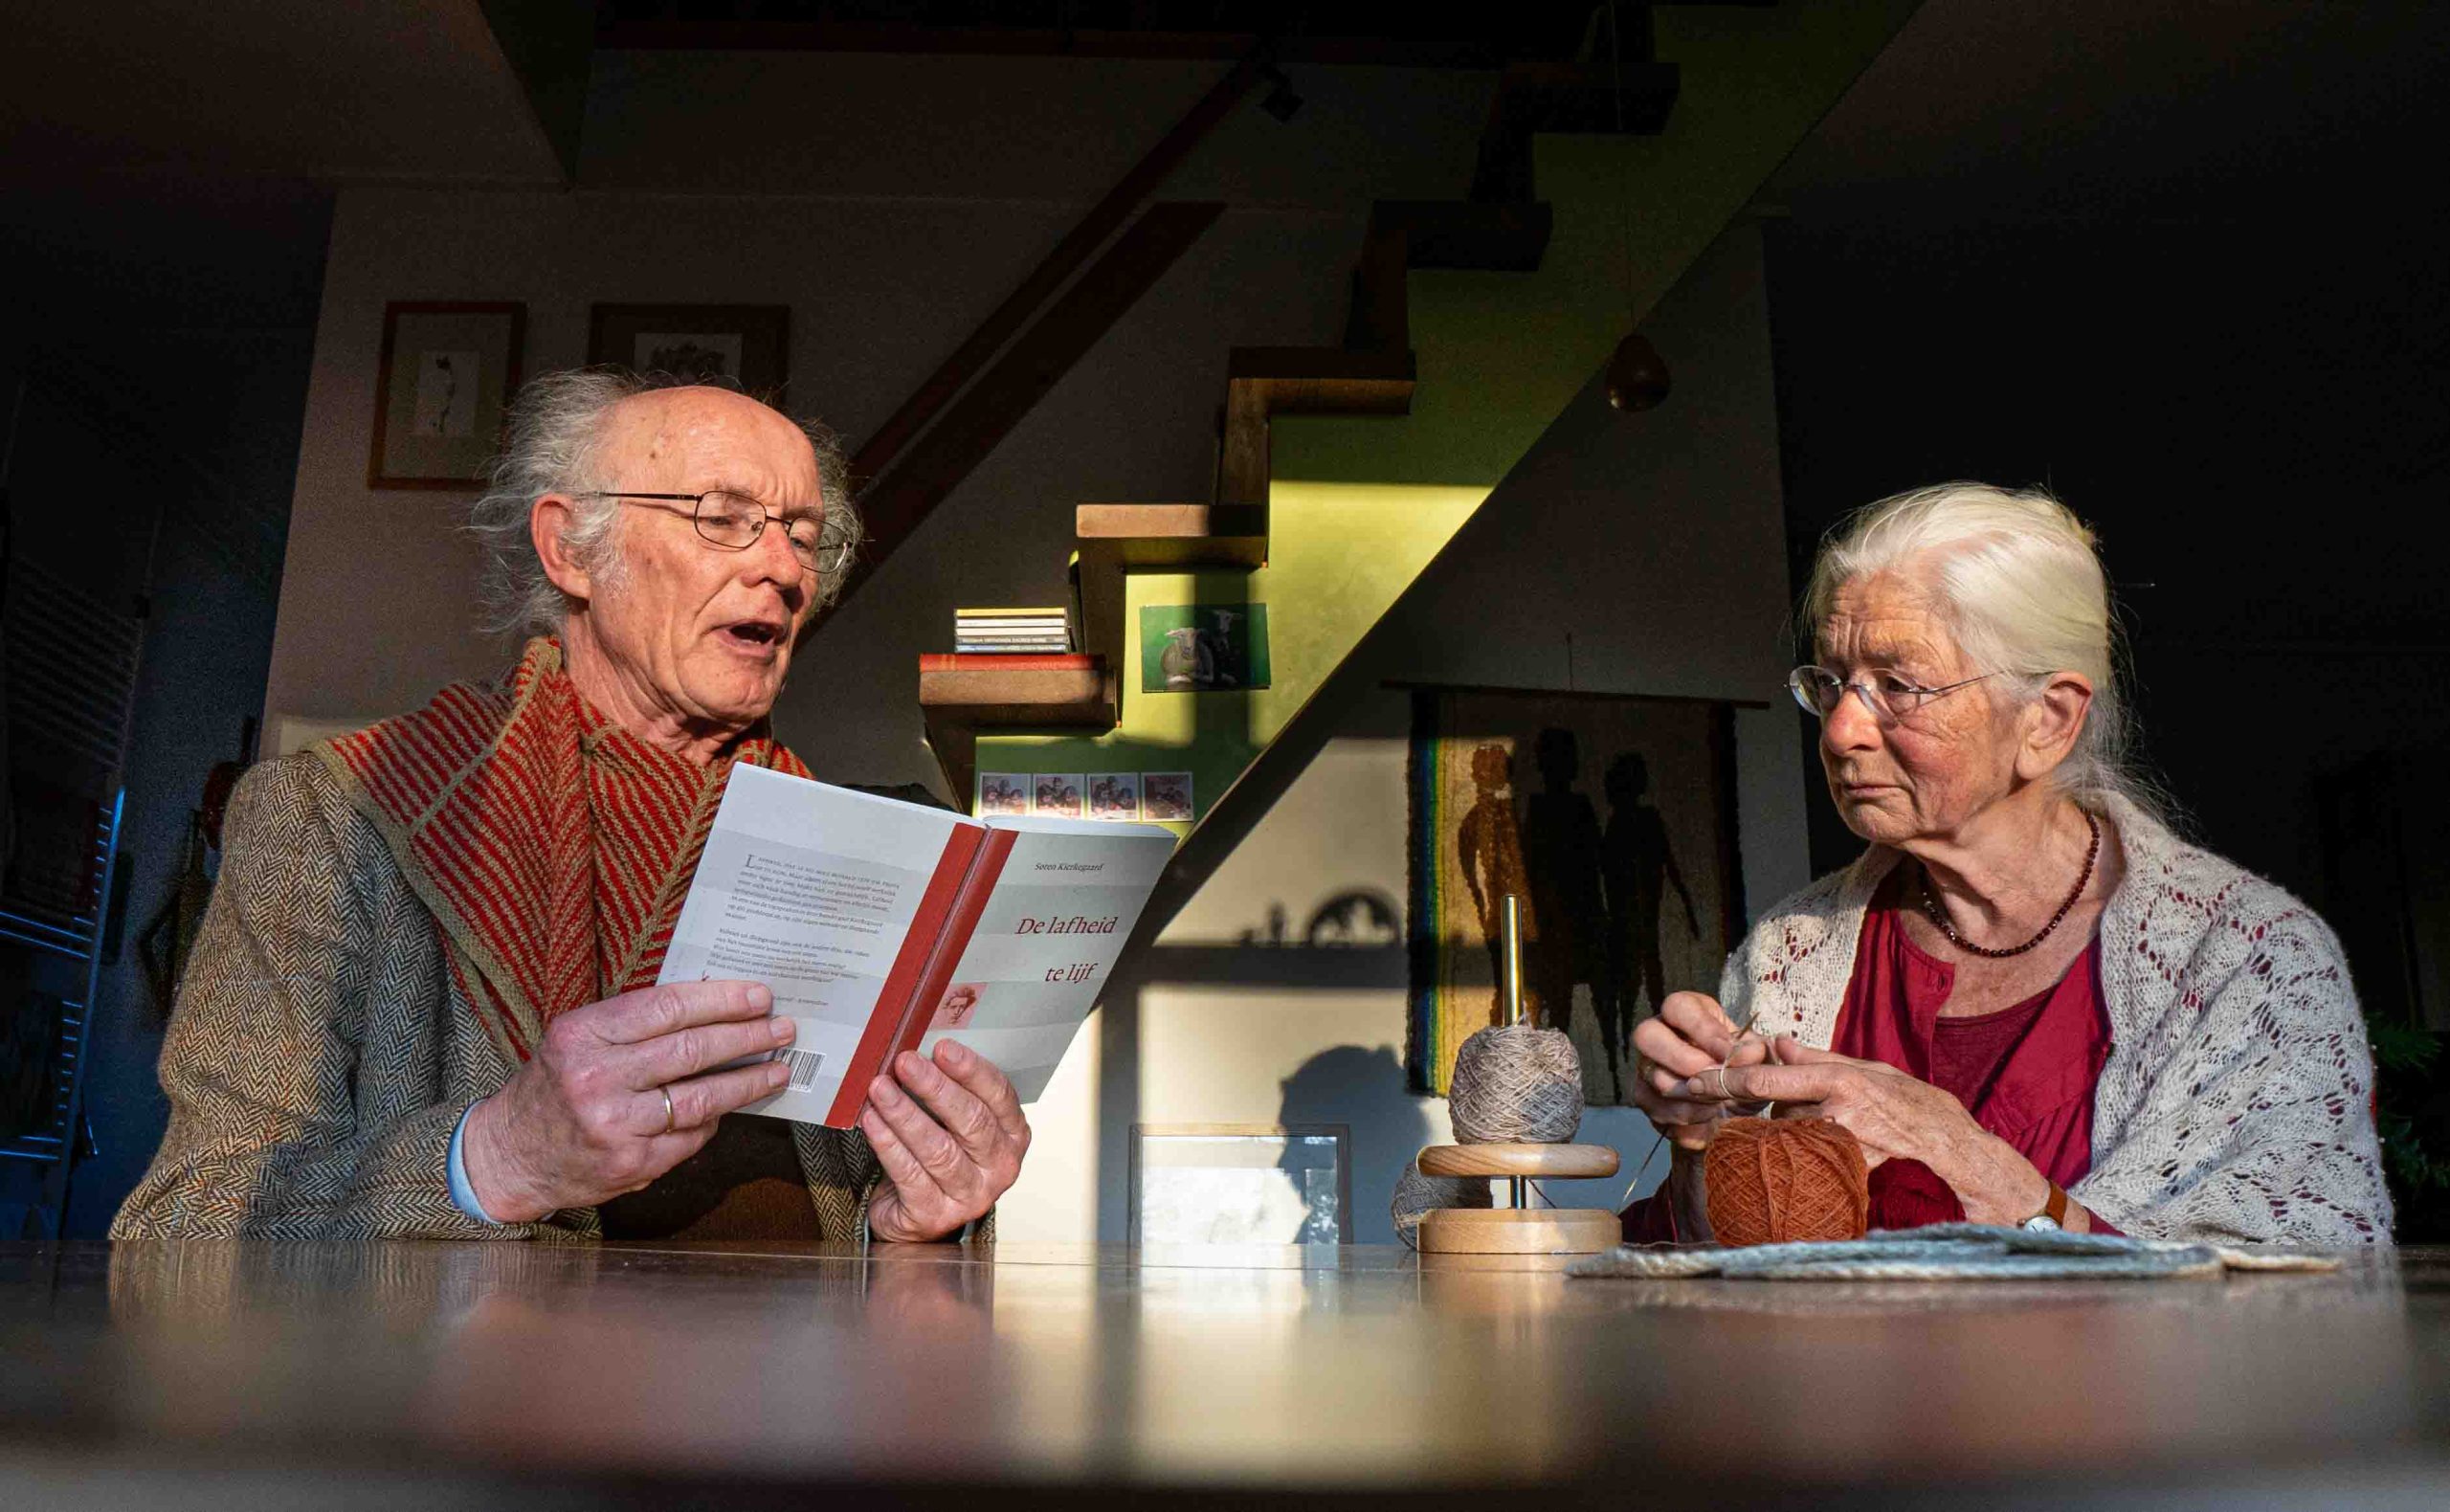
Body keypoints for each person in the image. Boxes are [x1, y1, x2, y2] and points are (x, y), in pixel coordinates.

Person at [115, 371, 1030, 1242]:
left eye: (803, 534)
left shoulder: (862, 853)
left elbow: (872, 1225)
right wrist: (499, 1158)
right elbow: (189, 1220)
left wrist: (913, 1224)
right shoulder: (330, 815)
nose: (786, 569)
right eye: (724, 518)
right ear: (571, 549)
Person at [1627, 483, 2390, 1245]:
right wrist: (1702, 1149)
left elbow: (2319, 1284)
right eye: (1831, 683)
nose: (1840, 731)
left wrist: (1982, 1175)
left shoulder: (2249, 961)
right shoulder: (1789, 954)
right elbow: (1718, 1267)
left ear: (2047, 720)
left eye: (1898, 686)